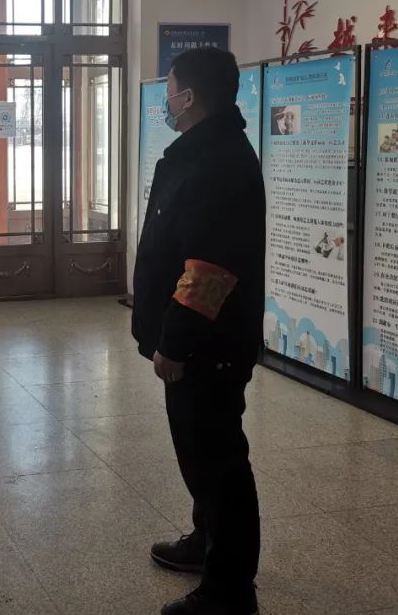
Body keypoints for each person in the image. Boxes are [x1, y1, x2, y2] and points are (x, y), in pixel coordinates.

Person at [132, 47, 265, 615]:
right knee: (198, 451)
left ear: (190, 97)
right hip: (196, 340)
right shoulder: (200, 151)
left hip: (208, 345)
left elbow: (208, 270)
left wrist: (176, 342)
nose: (166, 100)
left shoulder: (219, 164)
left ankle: (229, 590)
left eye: (170, 90)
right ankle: (205, 538)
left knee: (218, 461)